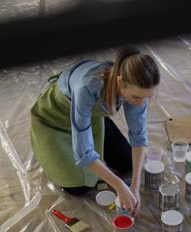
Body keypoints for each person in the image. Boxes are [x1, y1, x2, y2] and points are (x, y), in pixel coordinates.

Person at [30, 47, 160, 217]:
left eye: (146, 98)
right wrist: (120, 186)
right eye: (136, 97)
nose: (140, 103)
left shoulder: (135, 88)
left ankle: (97, 126)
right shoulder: (87, 87)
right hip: (54, 118)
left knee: (127, 163)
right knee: (80, 187)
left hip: (88, 115)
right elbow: (83, 153)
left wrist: (135, 186)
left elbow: (139, 135)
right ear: (120, 82)